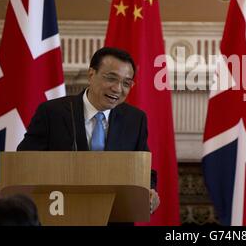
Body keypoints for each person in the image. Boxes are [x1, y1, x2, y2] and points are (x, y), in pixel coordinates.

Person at [17, 47, 160, 213]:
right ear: (91, 74)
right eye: (111, 78)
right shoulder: (52, 112)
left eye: (126, 83)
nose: (118, 88)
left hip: (115, 217)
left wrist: (149, 192)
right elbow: (25, 161)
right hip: (61, 214)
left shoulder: (135, 119)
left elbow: (143, 169)